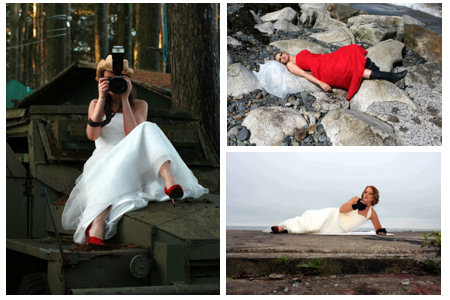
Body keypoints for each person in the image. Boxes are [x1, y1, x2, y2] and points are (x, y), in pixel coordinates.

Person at [61, 54, 208, 247]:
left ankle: (169, 181)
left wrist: (124, 99)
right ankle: (97, 224)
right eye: (109, 80)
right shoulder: (95, 105)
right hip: (105, 159)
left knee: (147, 127)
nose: (115, 84)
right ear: (101, 80)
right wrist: (102, 97)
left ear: (128, 81)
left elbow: (133, 134)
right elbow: (92, 135)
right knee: (135, 141)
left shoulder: (140, 105)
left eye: (118, 80)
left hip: (132, 159)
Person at [274, 44, 407, 100]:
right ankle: (390, 77)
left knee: (351, 50)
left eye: (280, 55)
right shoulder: (291, 65)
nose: (282, 58)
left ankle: (383, 74)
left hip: (327, 59)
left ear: (283, 51)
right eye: (280, 60)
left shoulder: (296, 55)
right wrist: (321, 84)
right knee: (355, 69)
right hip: (325, 69)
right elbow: (305, 74)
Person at [271, 186, 387, 236]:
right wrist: (356, 206)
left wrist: (380, 232)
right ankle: (283, 227)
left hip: (340, 229)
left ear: (374, 197)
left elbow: (378, 229)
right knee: (314, 220)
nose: (366, 194)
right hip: (335, 216)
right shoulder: (356, 199)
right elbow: (342, 209)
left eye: (370, 193)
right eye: (365, 192)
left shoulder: (372, 213)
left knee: (314, 230)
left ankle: (290, 229)